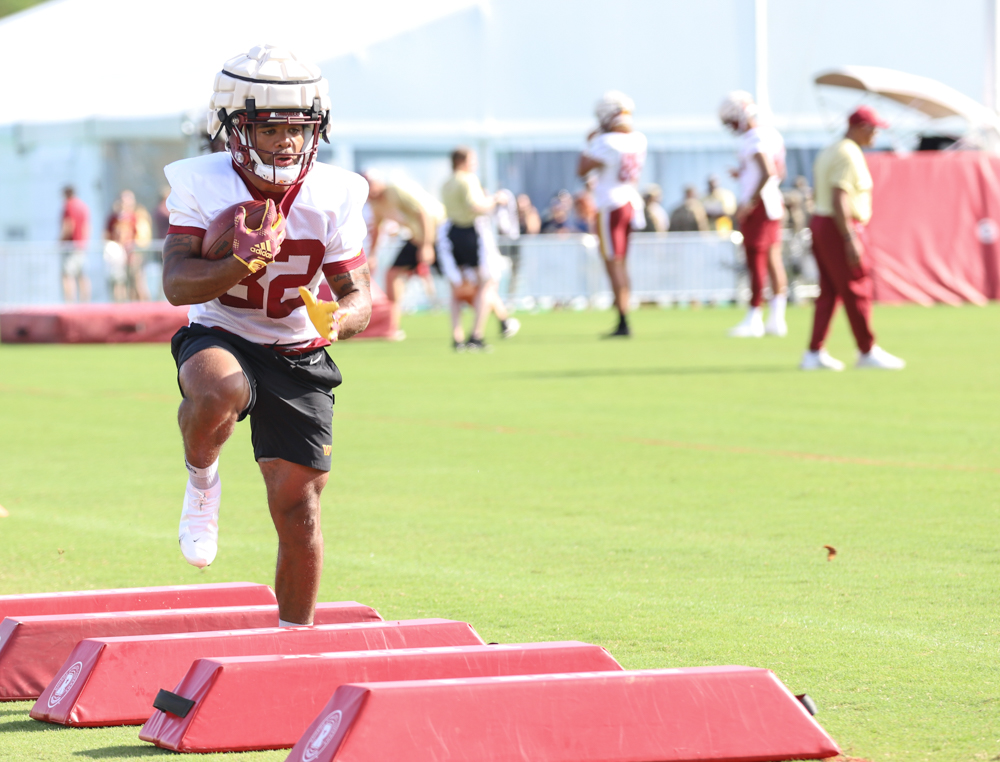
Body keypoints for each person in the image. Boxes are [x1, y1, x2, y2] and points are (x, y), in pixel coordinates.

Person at [161, 44, 373, 626]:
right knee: (217, 389)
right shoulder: (202, 182)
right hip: (222, 331)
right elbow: (177, 284)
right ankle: (202, 482)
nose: (286, 141)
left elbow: (359, 295)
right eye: (270, 127)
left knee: (300, 512)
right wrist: (239, 263)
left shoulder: (335, 192)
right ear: (235, 128)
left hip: (298, 350)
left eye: (297, 128)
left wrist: (342, 318)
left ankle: (294, 644)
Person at [802, 106, 905, 371]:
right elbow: (840, 196)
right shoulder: (849, 153)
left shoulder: (831, 149)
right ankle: (867, 349)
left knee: (829, 292)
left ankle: (814, 351)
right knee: (856, 287)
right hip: (840, 226)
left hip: (822, 221)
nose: (875, 135)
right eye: (873, 130)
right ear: (860, 128)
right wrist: (850, 237)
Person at [719, 90, 789, 338]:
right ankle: (777, 318)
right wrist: (744, 174)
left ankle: (754, 317)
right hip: (773, 202)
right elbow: (779, 172)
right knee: (773, 260)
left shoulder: (754, 137)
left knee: (756, 261)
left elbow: (767, 171)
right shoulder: (772, 134)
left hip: (760, 206)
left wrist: (749, 201)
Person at [577, 90, 647, 338]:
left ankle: (623, 319)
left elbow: (582, 169)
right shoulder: (639, 139)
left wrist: (589, 143)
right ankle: (624, 314)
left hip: (611, 205)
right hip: (631, 202)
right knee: (621, 262)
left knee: (612, 262)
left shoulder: (606, 142)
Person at [438, 147, 518, 350]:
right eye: (472, 160)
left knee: (457, 288)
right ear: (462, 161)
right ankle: (476, 336)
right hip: (472, 233)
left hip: (452, 233)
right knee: (488, 283)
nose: (475, 164)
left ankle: (457, 338)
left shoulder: (447, 182)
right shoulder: (467, 179)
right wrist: (496, 199)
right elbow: (475, 206)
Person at [363, 170, 443, 338]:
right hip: (418, 238)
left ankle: (497, 317)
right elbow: (377, 228)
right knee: (392, 275)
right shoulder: (376, 204)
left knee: (465, 281)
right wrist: (373, 255)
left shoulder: (395, 191)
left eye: (370, 184)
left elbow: (423, 213)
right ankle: (392, 326)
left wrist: (427, 245)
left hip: (439, 233)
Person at [106, 190, 150, 301]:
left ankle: (144, 307)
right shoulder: (114, 218)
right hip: (119, 255)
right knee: (120, 283)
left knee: (137, 283)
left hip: (134, 255)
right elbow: (108, 234)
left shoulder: (137, 216)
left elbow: (142, 237)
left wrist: (135, 249)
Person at [60, 186, 91, 302]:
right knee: (82, 275)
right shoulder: (83, 206)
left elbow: (69, 225)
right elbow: (87, 226)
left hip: (70, 246)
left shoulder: (69, 206)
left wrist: (61, 240)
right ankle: (85, 302)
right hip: (81, 246)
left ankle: (70, 303)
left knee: (68, 275)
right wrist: (84, 242)